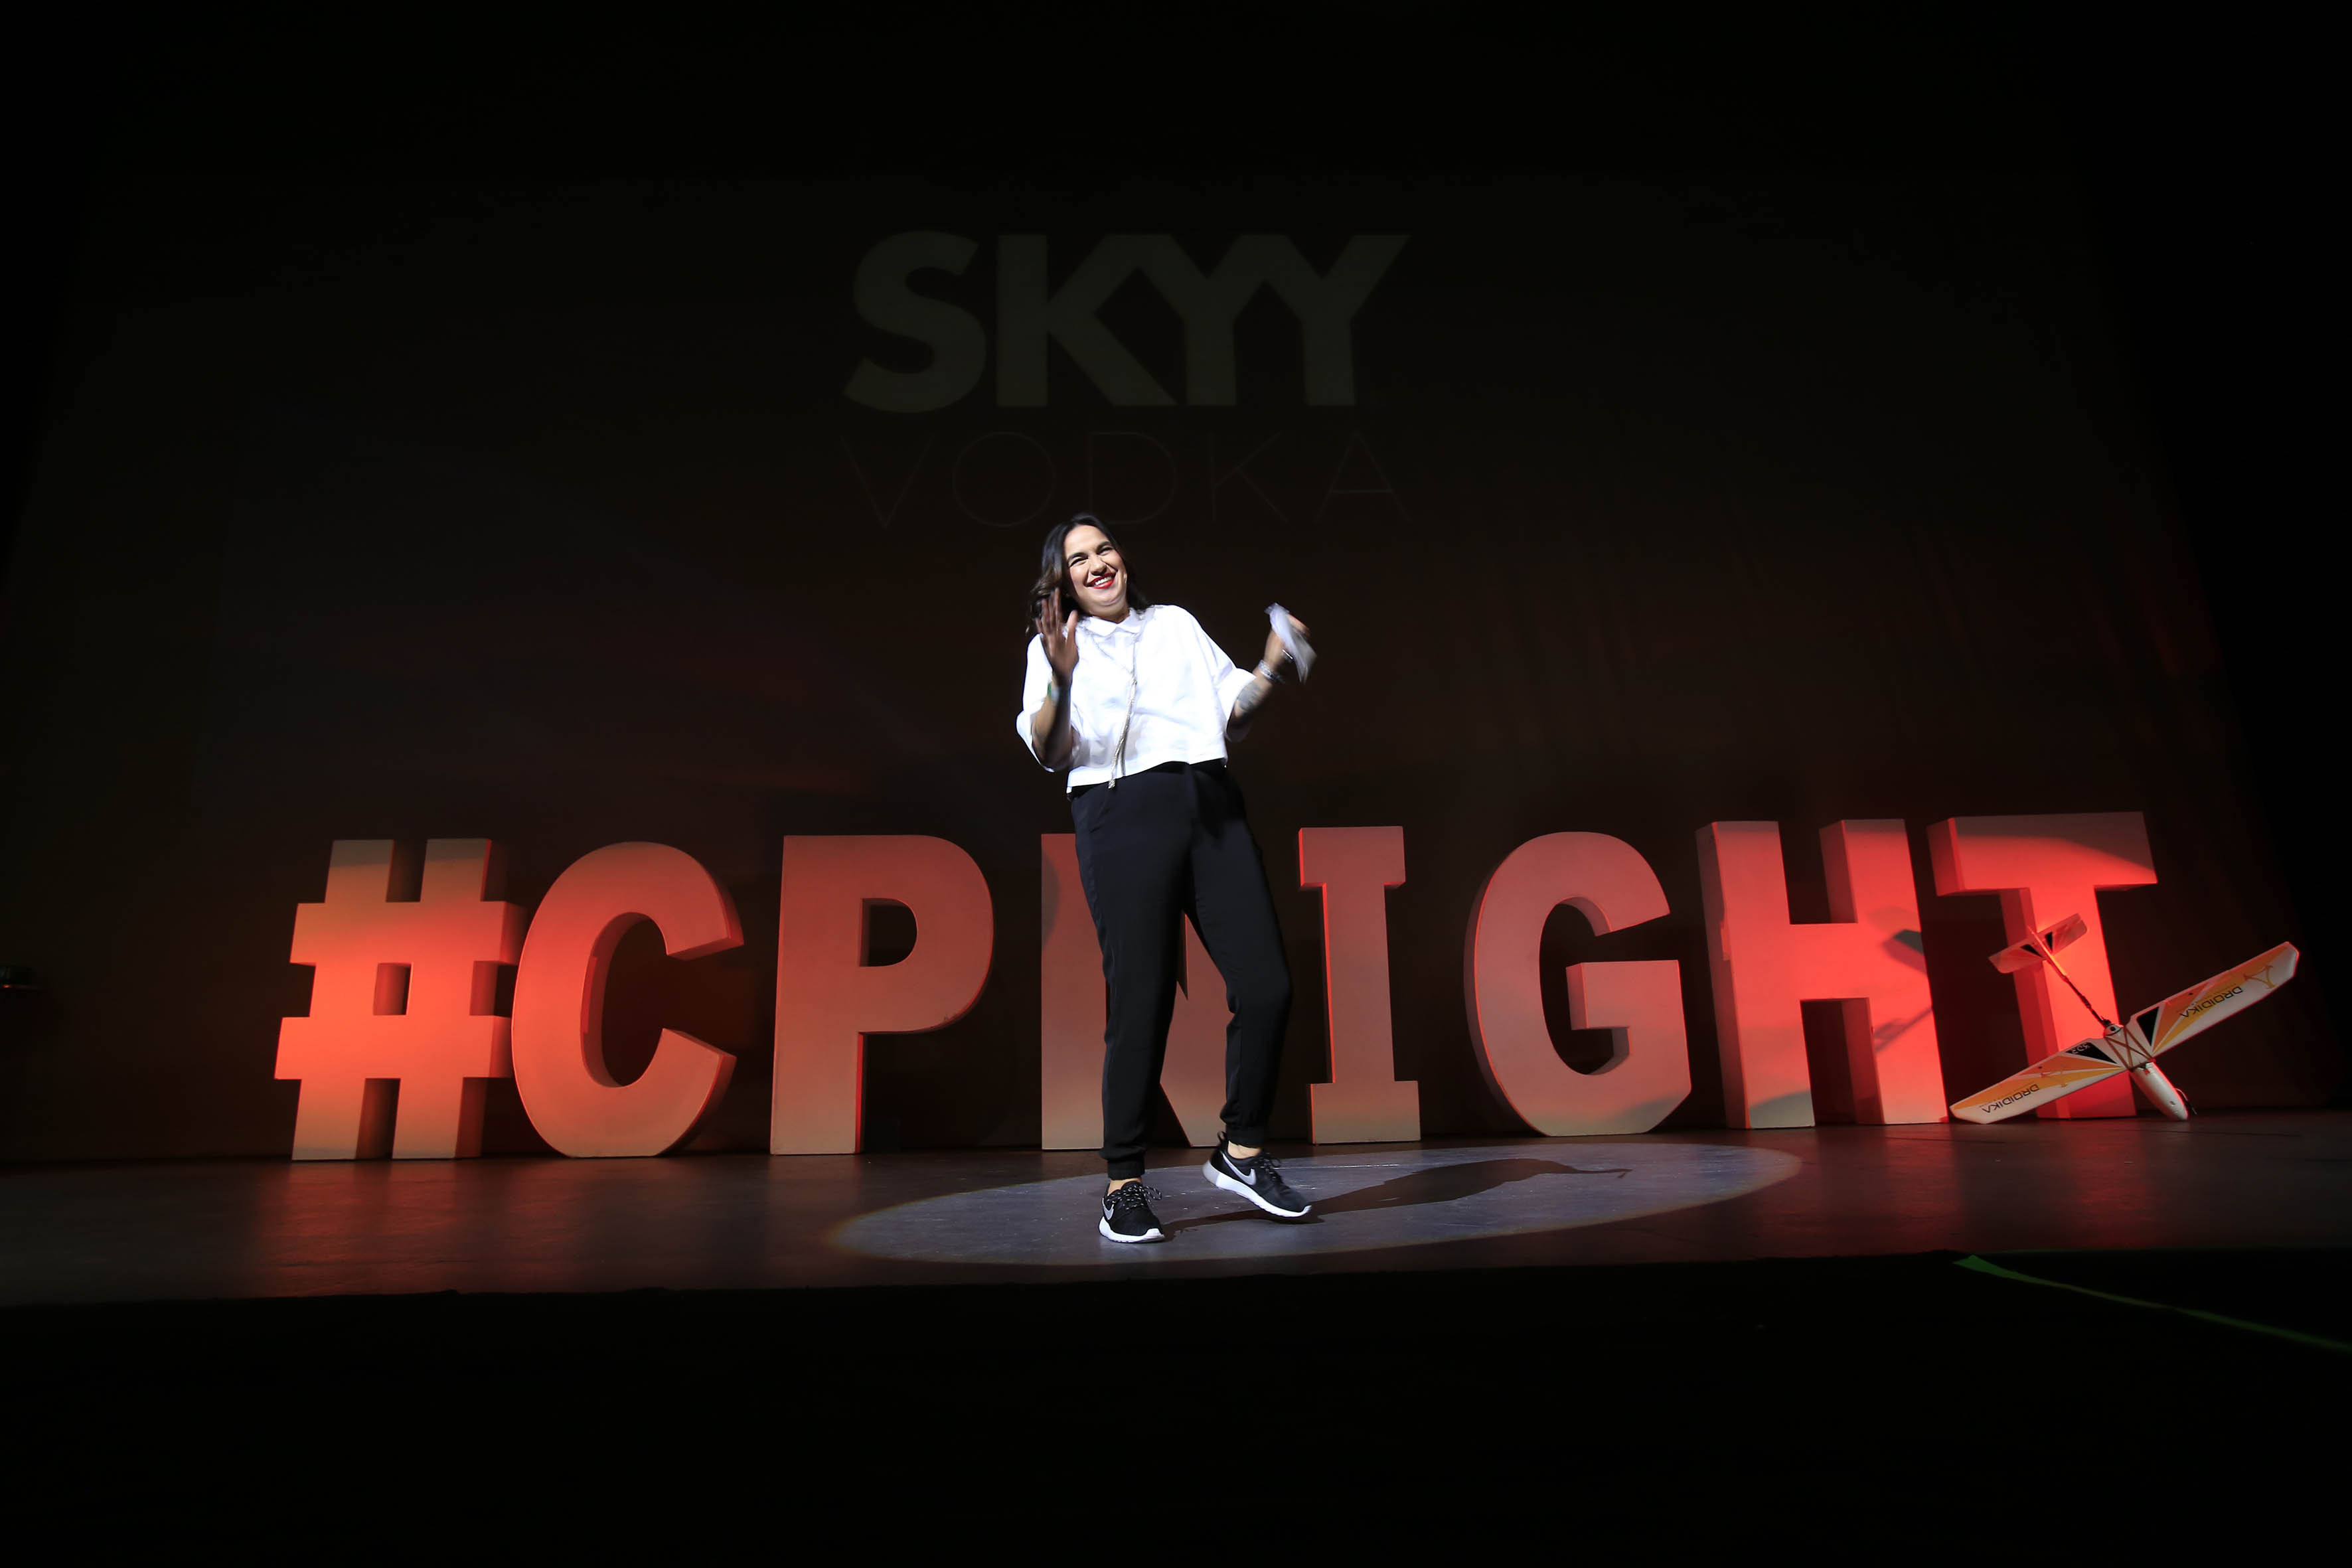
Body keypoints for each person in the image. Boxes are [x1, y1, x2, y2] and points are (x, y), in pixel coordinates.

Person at [1016, 513, 1313, 1242]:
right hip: (1120, 814)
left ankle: (1241, 1150)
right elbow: (1051, 750)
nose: (1097, 563)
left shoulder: (1175, 625)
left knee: (1268, 985)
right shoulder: (1052, 648)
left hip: (1209, 806)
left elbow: (1232, 712)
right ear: (1063, 581)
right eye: (1078, 559)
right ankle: (1123, 1184)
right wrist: (1060, 677)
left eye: (1105, 548)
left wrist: (1271, 663)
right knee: (1142, 1002)